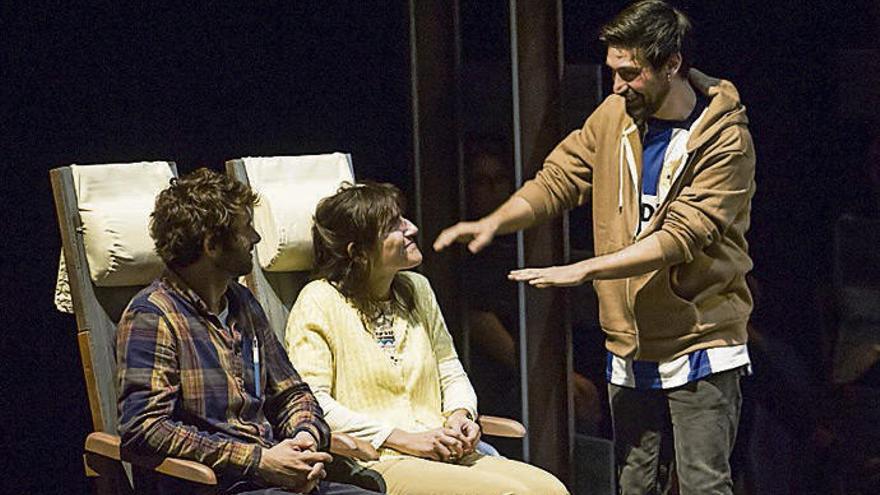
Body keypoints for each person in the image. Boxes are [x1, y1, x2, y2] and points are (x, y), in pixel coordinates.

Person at [434, 1, 756, 494]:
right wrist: (494, 221)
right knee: (633, 481)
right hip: (629, 339)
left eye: (630, 73)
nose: (618, 85)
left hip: (700, 338)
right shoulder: (614, 115)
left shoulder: (723, 138)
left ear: (671, 64)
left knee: (702, 483)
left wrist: (585, 270)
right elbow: (560, 178)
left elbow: (681, 238)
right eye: (613, 72)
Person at [284, 181, 570, 495]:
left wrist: (461, 416)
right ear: (359, 253)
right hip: (377, 458)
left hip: (443, 451)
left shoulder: (416, 289)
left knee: (550, 489)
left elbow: (450, 369)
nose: (412, 228)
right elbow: (313, 404)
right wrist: (402, 438)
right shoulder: (318, 301)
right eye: (394, 226)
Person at [116, 168, 380, 495]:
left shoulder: (242, 302)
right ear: (212, 244)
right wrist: (257, 460)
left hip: (272, 476)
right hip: (216, 485)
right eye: (246, 230)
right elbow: (145, 427)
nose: (255, 238)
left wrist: (304, 435)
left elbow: (292, 392)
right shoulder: (153, 316)